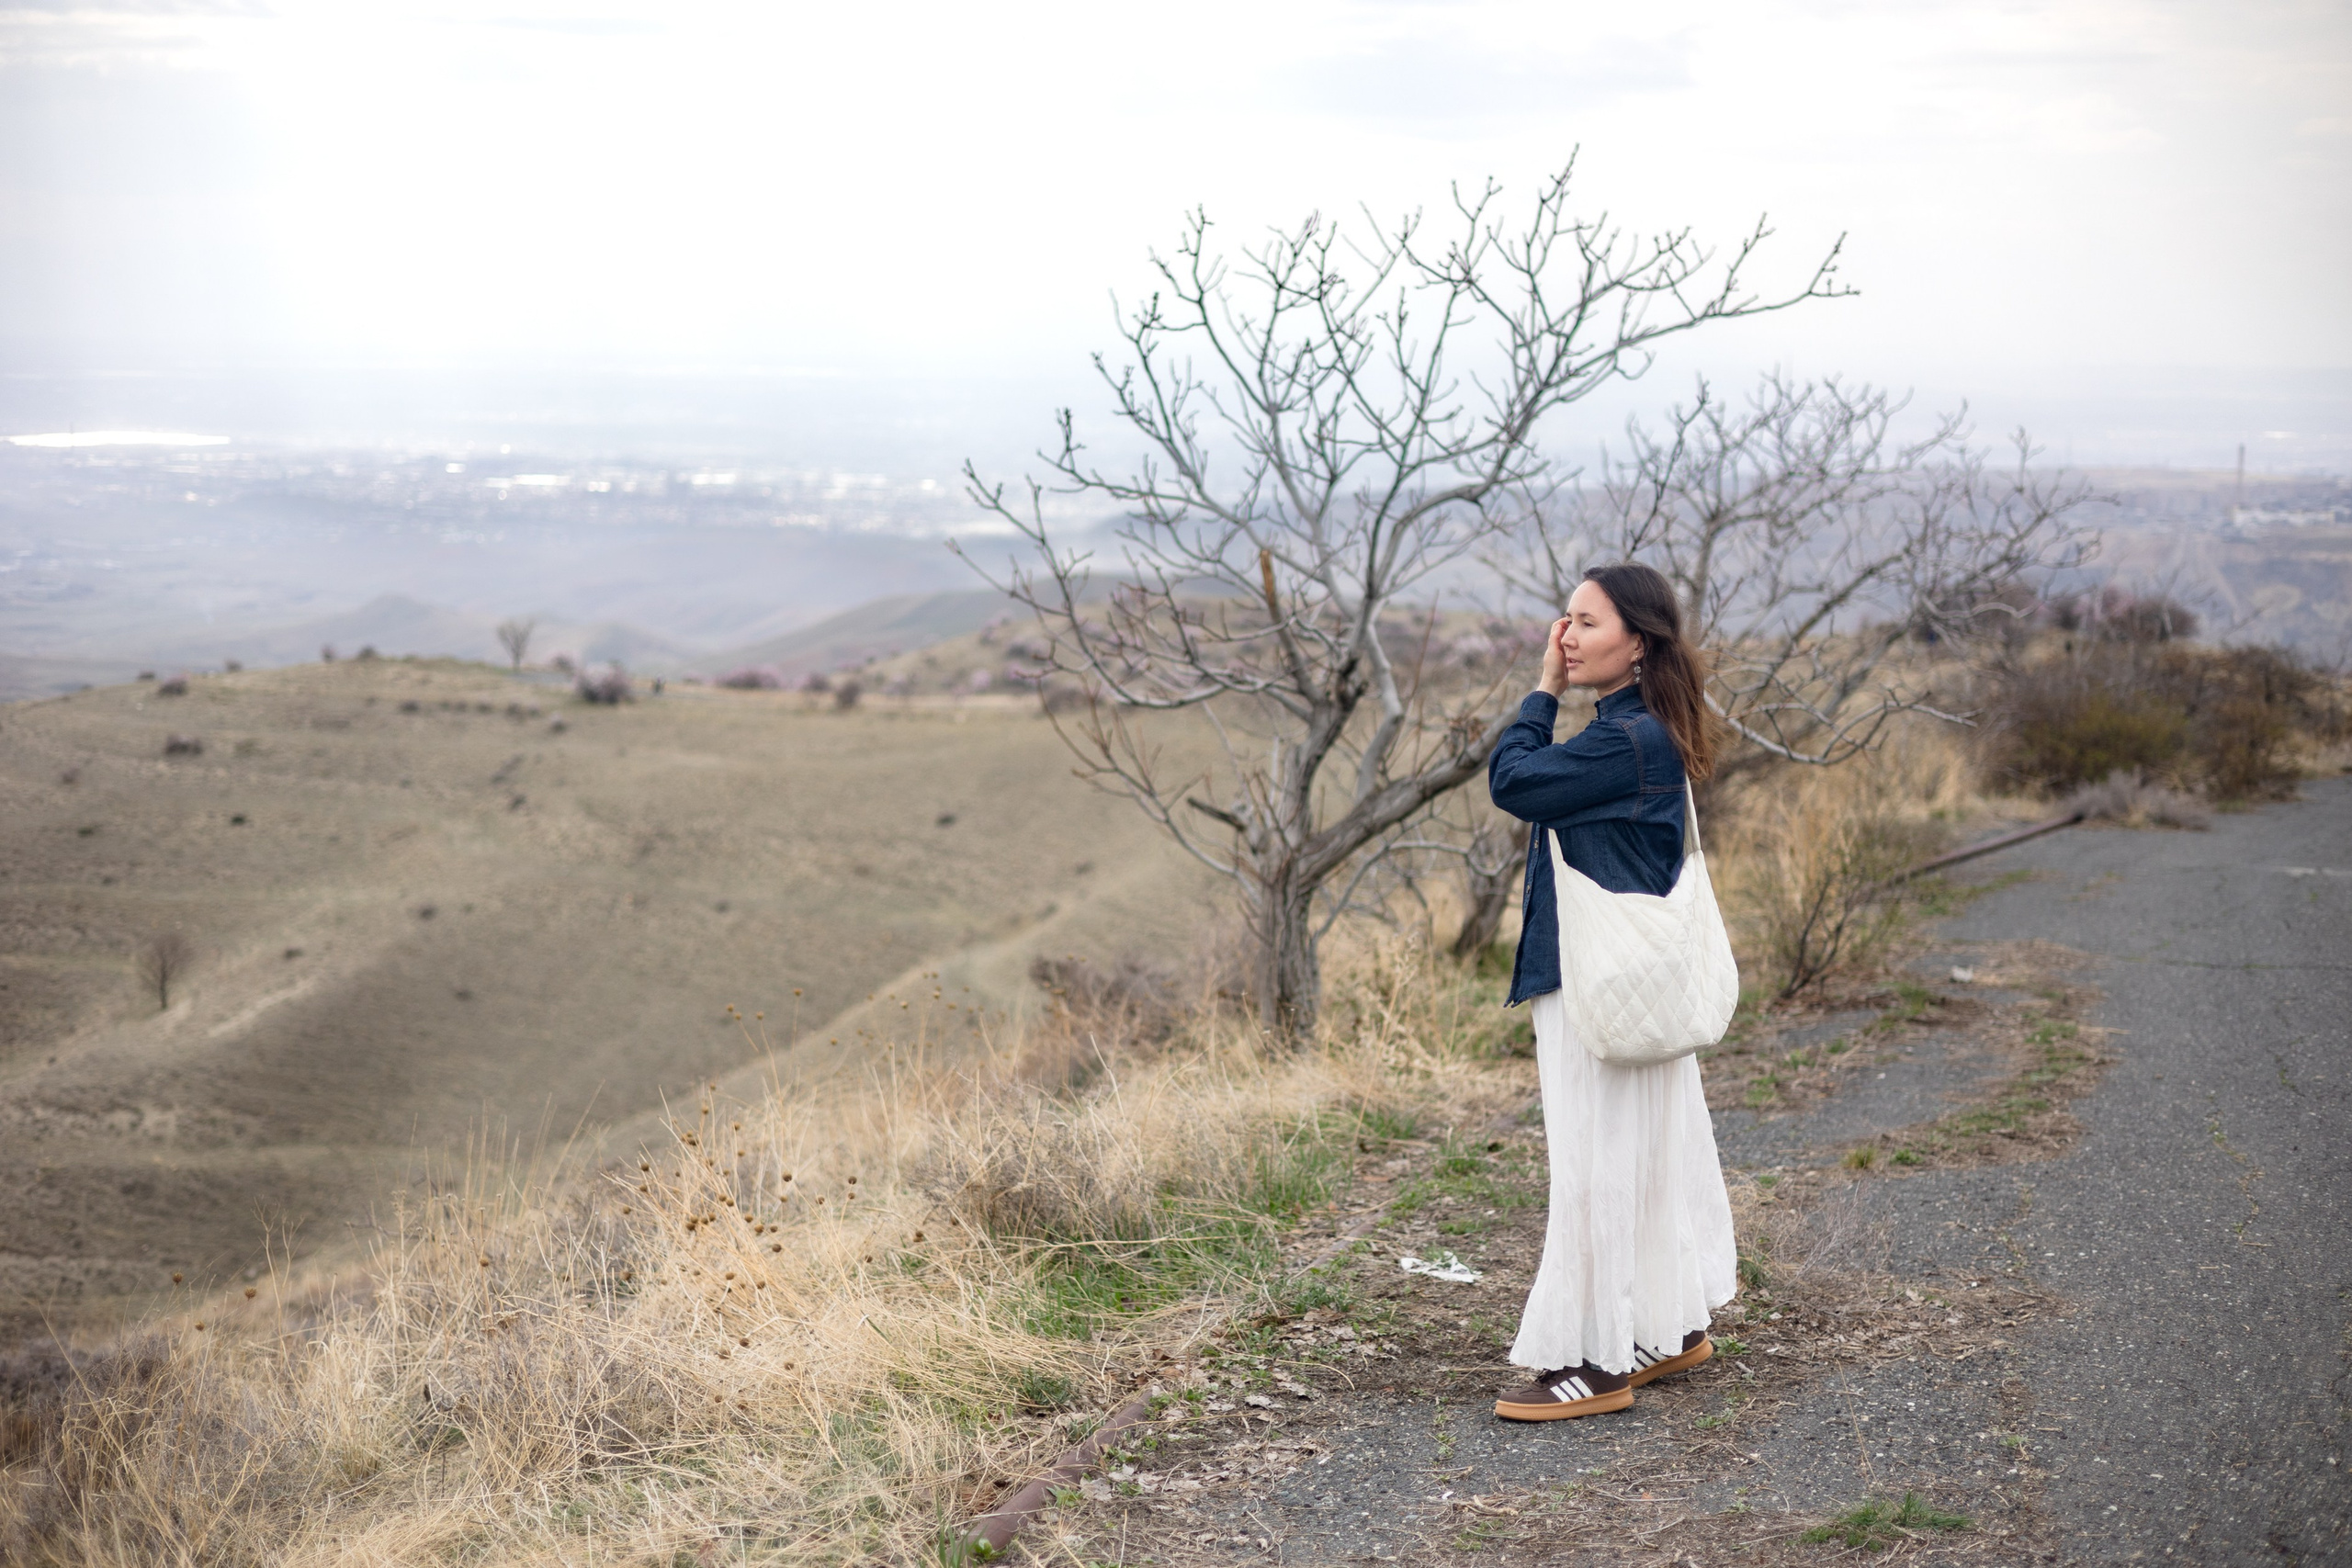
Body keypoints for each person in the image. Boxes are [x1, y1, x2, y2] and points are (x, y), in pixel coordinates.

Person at [1485, 561, 1738, 1421]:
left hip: (1601, 988)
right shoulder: (1645, 731)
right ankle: (1668, 1329)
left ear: (1638, 641)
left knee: (1596, 1165)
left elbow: (1513, 780)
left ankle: (1599, 1360)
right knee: (1645, 1156)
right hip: (1637, 984)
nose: (1566, 635)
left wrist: (1541, 691)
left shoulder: (1623, 742)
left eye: (1586, 622)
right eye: (1564, 619)